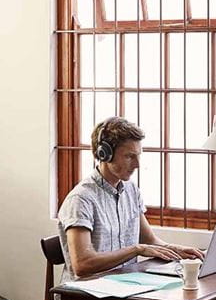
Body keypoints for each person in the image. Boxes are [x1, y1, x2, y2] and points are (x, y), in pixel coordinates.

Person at [58, 117, 204, 280]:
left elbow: (148, 240)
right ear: (105, 154)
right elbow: (83, 264)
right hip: (86, 297)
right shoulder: (81, 199)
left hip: (124, 287)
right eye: (129, 156)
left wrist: (179, 251)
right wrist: (136, 249)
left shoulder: (131, 190)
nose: (137, 164)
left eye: (138, 156)